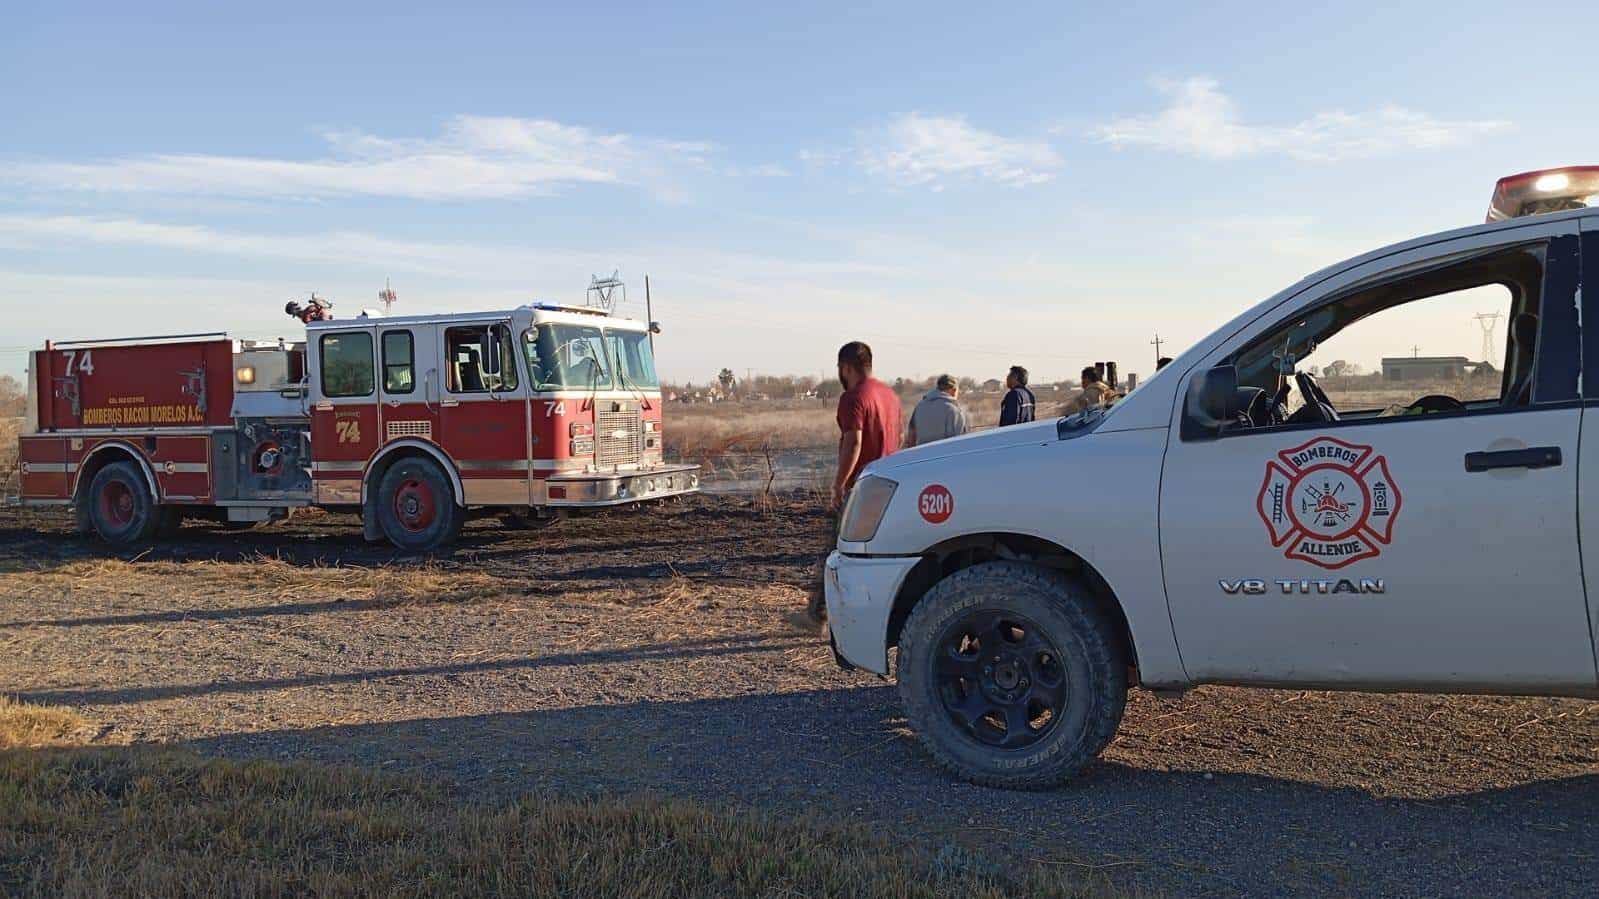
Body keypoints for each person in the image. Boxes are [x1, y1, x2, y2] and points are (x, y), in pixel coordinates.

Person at [805, 341, 902, 625]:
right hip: (891, 486)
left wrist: (839, 484)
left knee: (837, 551)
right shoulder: (889, 395)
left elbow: (854, 441)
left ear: (845, 367)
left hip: (862, 488)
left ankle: (820, 616)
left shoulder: (853, 397)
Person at [905, 374, 967, 447]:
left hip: (922, 456)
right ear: (954, 390)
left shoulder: (919, 406)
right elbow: (958, 443)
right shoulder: (954, 410)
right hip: (944, 456)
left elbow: (911, 437)